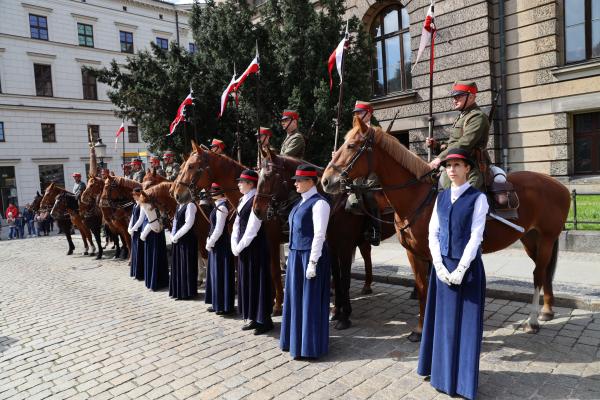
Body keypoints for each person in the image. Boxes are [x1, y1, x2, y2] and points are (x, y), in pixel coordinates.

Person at [417, 148, 488, 400]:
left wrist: (461, 269)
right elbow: (432, 233)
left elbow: (476, 237)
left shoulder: (478, 199)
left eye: (457, 165)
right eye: (448, 166)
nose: (452, 170)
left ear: (467, 168)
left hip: (466, 270)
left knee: (465, 327)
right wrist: (437, 264)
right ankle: (440, 375)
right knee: (443, 325)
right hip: (442, 267)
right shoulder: (441, 197)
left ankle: (463, 381)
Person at [280, 165, 331, 359]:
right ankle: (293, 341)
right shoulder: (299, 203)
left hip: (309, 256)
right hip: (295, 256)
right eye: (296, 180)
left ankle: (309, 346)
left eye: (299, 180)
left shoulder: (320, 204)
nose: (295, 183)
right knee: (294, 299)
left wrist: (313, 262)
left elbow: (319, 235)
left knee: (309, 301)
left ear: (311, 181)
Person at [231, 169, 273, 335]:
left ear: (250, 184)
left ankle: (264, 320)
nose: (238, 184)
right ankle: (252, 317)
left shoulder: (256, 198)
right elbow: (236, 223)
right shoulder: (243, 199)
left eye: (241, 182)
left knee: (258, 281)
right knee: (247, 282)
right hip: (243, 247)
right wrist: (234, 243)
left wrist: (240, 246)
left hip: (255, 247)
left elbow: (253, 228)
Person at [427, 81, 490, 190]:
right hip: (454, 163)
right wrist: (437, 146)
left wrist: (440, 158)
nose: (454, 100)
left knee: (461, 196)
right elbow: (454, 143)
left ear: (470, 97)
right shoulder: (462, 116)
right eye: (454, 97)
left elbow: (464, 143)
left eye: (459, 96)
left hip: (471, 166)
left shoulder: (477, 117)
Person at [345, 100, 382, 245]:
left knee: (368, 193)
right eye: (355, 113)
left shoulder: (376, 131)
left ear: (369, 114)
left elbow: (380, 155)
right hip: (358, 172)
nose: (357, 115)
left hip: (373, 172)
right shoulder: (354, 133)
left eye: (359, 113)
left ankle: (375, 229)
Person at [205, 183, 235, 315]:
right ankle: (217, 302)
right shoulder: (218, 204)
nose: (212, 193)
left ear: (222, 193)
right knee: (214, 274)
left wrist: (210, 241)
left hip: (221, 244)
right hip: (215, 243)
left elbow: (219, 228)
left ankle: (224, 305)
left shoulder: (222, 207)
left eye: (215, 191)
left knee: (221, 274)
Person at [170, 187, 198, 300]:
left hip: (187, 239)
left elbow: (189, 223)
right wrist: (172, 235)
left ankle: (187, 292)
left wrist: (176, 236)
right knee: (178, 265)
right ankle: (178, 291)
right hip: (177, 240)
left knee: (186, 265)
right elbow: (175, 222)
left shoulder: (191, 205)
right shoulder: (178, 206)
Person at [139, 199, 169, 291]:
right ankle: (161, 280)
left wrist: (143, 234)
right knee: (158, 256)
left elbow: (151, 221)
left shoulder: (147, 204)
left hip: (152, 233)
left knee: (153, 256)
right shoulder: (154, 203)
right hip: (156, 232)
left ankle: (154, 281)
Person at [128, 190, 145, 281]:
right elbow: (132, 217)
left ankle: (140, 273)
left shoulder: (142, 205)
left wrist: (133, 228)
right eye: (133, 194)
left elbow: (140, 220)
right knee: (134, 251)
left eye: (134, 194)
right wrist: (129, 228)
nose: (133, 196)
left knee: (139, 251)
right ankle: (134, 272)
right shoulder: (135, 205)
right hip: (134, 231)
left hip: (138, 231)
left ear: (138, 195)